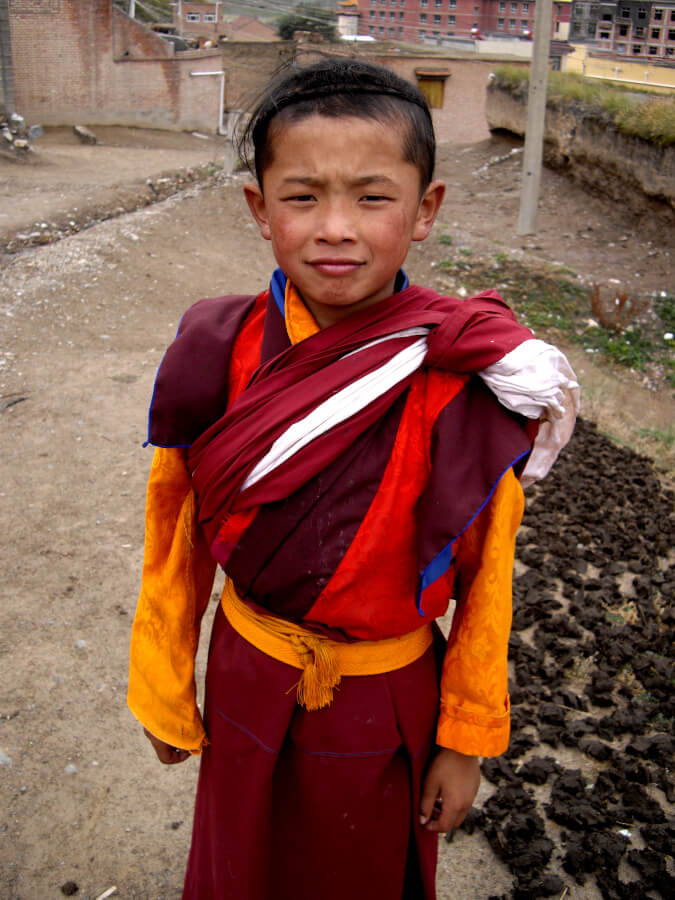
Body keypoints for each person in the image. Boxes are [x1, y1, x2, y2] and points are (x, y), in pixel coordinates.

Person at [127, 58, 579, 900]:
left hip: (386, 689)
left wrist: (462, 740)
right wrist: (162, 686)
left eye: (372, 197)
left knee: (363, 871)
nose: (335, 227)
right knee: (239, 863)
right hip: (248, 666)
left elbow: (487, 577)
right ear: (260, 210)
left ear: (424, 211)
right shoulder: (215, 348)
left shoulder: (460, 375)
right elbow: (174, 530)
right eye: (302, 196)